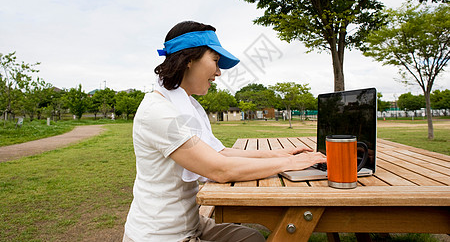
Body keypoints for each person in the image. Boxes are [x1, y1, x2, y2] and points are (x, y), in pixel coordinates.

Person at [123, 21, 326, 242]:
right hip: (162, 235)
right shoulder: (159, 111)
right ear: (189, 59)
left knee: (252, 238)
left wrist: (281, 154)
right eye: (215, 61)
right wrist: (290, 164)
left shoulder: (186, 105)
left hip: (190, 224)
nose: (218, 72)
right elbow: (220, 169)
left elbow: (220, 153)